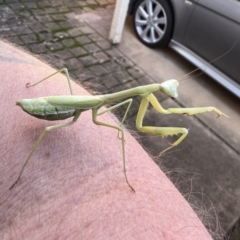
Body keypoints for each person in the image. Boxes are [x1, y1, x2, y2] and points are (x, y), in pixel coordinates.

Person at [0, 40, 212, 239]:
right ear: (153, 90)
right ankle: (20, 174)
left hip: (63, 105)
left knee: (110, 108)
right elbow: (139, 121)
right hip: (48, 107)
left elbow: (128, 105)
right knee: (48, 129)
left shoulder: (124, 98)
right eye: (163, 89)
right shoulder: (119, 99)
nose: (168, 93)